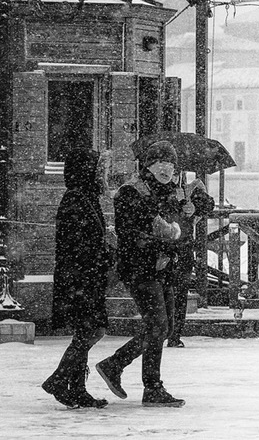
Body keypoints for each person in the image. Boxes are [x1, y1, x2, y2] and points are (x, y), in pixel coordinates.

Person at [95, 142, 186, 407]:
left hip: (164, 268)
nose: (166, 168)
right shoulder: (131, 193)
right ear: (147, 166)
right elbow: (130, 234)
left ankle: (135, 377)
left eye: (170, 163)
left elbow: (178, 228)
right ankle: (135, 376)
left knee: (163, 328)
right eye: (160, 163)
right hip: (140, 270)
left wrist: (190, 216)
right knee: (157, 326)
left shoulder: (171, 193)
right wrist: (162, 244)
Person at [42, 148, 116, 409]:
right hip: (81, 280)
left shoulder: (85, 198)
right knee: (91, 330)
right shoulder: (76, 200)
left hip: (84, 278)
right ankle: (60, 380)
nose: (103, 175)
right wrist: (103, 252)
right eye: (99, 170)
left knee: (87, 330)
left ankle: (77, 387)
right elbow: (77, 245)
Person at [165, 173, 214, 347]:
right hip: (162, 248)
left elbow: (208, 204)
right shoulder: (155, 189)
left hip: (183, 248)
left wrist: (194, 206)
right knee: (165, 292)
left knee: (180, 293)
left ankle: (174, 334)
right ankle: (164, 330)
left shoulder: (191, 190)